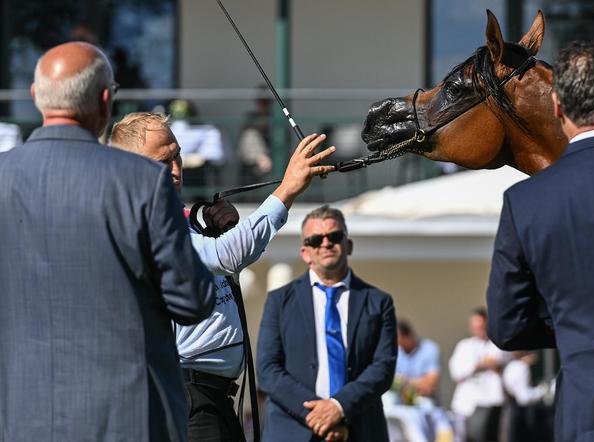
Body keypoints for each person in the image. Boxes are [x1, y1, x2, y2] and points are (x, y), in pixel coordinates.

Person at [0, 42, 216, 441]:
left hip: (22, 420)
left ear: (35, 96)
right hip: (131, 419)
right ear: (105, 99)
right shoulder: (143, 182)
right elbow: (193, 299)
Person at [110, 112, 336, 441]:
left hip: (212, 397)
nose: (175, 170)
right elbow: (226, 255)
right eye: (162, 163)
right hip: (188, 395)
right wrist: (287, 189)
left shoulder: (177, 218)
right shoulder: (144, 224)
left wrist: (209, 221)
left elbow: (221, 251)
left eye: (177, 156)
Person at [487, 41, 594, 441]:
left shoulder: (525, 201)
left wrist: (568, 326)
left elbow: (506, 326)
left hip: (590, 411)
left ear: (555, 106)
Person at [257, 205, 397, 441]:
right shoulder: (279, 301)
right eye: (315, 239)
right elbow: (267, 370)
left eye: (334, 236)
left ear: (348, 244)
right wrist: (318, 415)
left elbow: (383, 368)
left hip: (360, 428)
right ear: (305, 252)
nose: (325, 243)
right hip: (292, 430)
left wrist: (339, 408)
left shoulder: (378, 301)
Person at [448, 308, 508, 442]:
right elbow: (457, 372)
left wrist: (474, 365)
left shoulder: (496, 344)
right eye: (475, 326)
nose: (478, 329)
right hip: (465, 405)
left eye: (481, 326)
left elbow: (496, 361)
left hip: (490, 404)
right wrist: (479, 365)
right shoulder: (463, 346)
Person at [388, 319, 453, 442]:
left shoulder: (429, 348)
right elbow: (390, 381)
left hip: (426, 403)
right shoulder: (395, 352)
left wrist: (405, 382)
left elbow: (431, 383)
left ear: (408, 336)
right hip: (399, 404)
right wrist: (416, 383)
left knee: (430, 424)